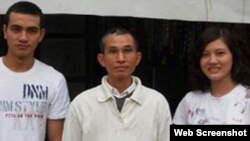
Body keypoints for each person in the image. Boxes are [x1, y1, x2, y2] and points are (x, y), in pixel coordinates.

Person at [62, 27, 172, 141]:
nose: (121, 58)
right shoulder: (81, 104)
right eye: (113, 51)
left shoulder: (156, 102)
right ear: (102, 59)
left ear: (138, 58)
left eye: (127, 50)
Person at [0, 1, 70, 141]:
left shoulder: (54, 80)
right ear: (5, 31)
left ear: (41, 35)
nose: (23, 37)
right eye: (16, 29)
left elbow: (57, 138)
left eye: (31, 30)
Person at [173, 26, 250, 124]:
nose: (212, 61)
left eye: (220, 53)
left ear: (234, 56)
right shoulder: (190, 100)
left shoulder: (246, 100)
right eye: (205, 55)